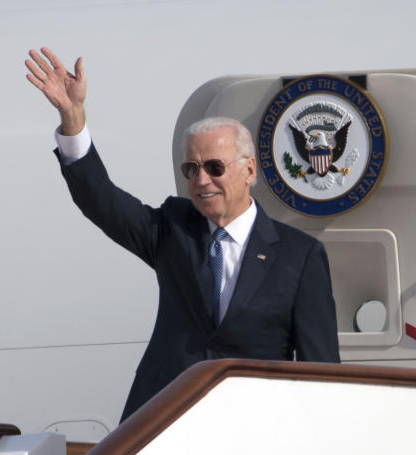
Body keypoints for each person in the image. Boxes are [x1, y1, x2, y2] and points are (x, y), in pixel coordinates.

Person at [26, 47, 340, 421]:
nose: (201, 180)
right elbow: (101, 201)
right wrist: (73, 118)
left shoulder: (299, 256)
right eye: (192, 168)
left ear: (249, 171)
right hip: (163, 420)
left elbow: (320, 371)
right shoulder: (173, 229)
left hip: (254, 428)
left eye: (214, 167)